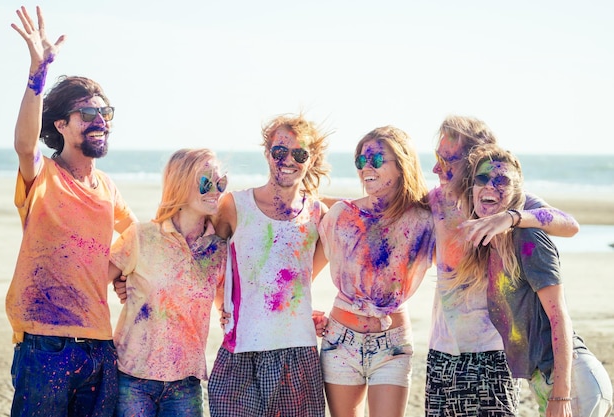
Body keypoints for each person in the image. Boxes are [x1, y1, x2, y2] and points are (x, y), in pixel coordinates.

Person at [7, 6, 136, 417]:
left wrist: (124, 274)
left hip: (99, 346)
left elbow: (140, 236)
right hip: (45, 344)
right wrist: (37, 74)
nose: (101, 121)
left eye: (106, 113)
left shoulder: (107, 187)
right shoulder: (42, 176)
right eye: (89, 113)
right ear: (61, 125)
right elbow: (25, 145)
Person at [425, 115, 580, 417]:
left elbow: (569, 224)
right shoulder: (436, 202)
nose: (436, 168)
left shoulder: (507, 200)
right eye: (436, 159)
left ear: (473, 162)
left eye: (447, 160)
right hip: (440, 355)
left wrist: (510, 218)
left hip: (493, 355)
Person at [454, 144, 613, 417]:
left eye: (501, 181)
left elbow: (559, 318)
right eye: (482, 179)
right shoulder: (490, 246)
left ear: (516, 193)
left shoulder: (528, 240)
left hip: (572, 382)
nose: (490, 186)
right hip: (543, 380)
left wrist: (561, 395)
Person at [207, 113, 331, 417]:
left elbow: (303, 279)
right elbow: (205, 263)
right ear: (267, 154)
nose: (288, 159)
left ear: (310, 159)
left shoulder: (318, 214)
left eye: (299, 154)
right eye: (280, 151)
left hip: (298, 354)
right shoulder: (234, 206)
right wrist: (220, 303)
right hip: (240, 351)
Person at [317, 126, 435, 417]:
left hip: (392, 344)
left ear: (402, 164)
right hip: (339, 341)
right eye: (360, 161)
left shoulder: (424, 221)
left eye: (376, 160)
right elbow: (304, 277)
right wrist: (305, 313)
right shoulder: (341, 216)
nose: (366, 168)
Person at [109, 149, 228, 416]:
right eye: (206, 182)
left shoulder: (219, 250)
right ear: (180, 185)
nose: (216, 190)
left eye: (221, 182)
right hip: (132, 378)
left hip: (186, 383)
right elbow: (92, 284)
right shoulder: (141, 236)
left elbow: (227, 306)